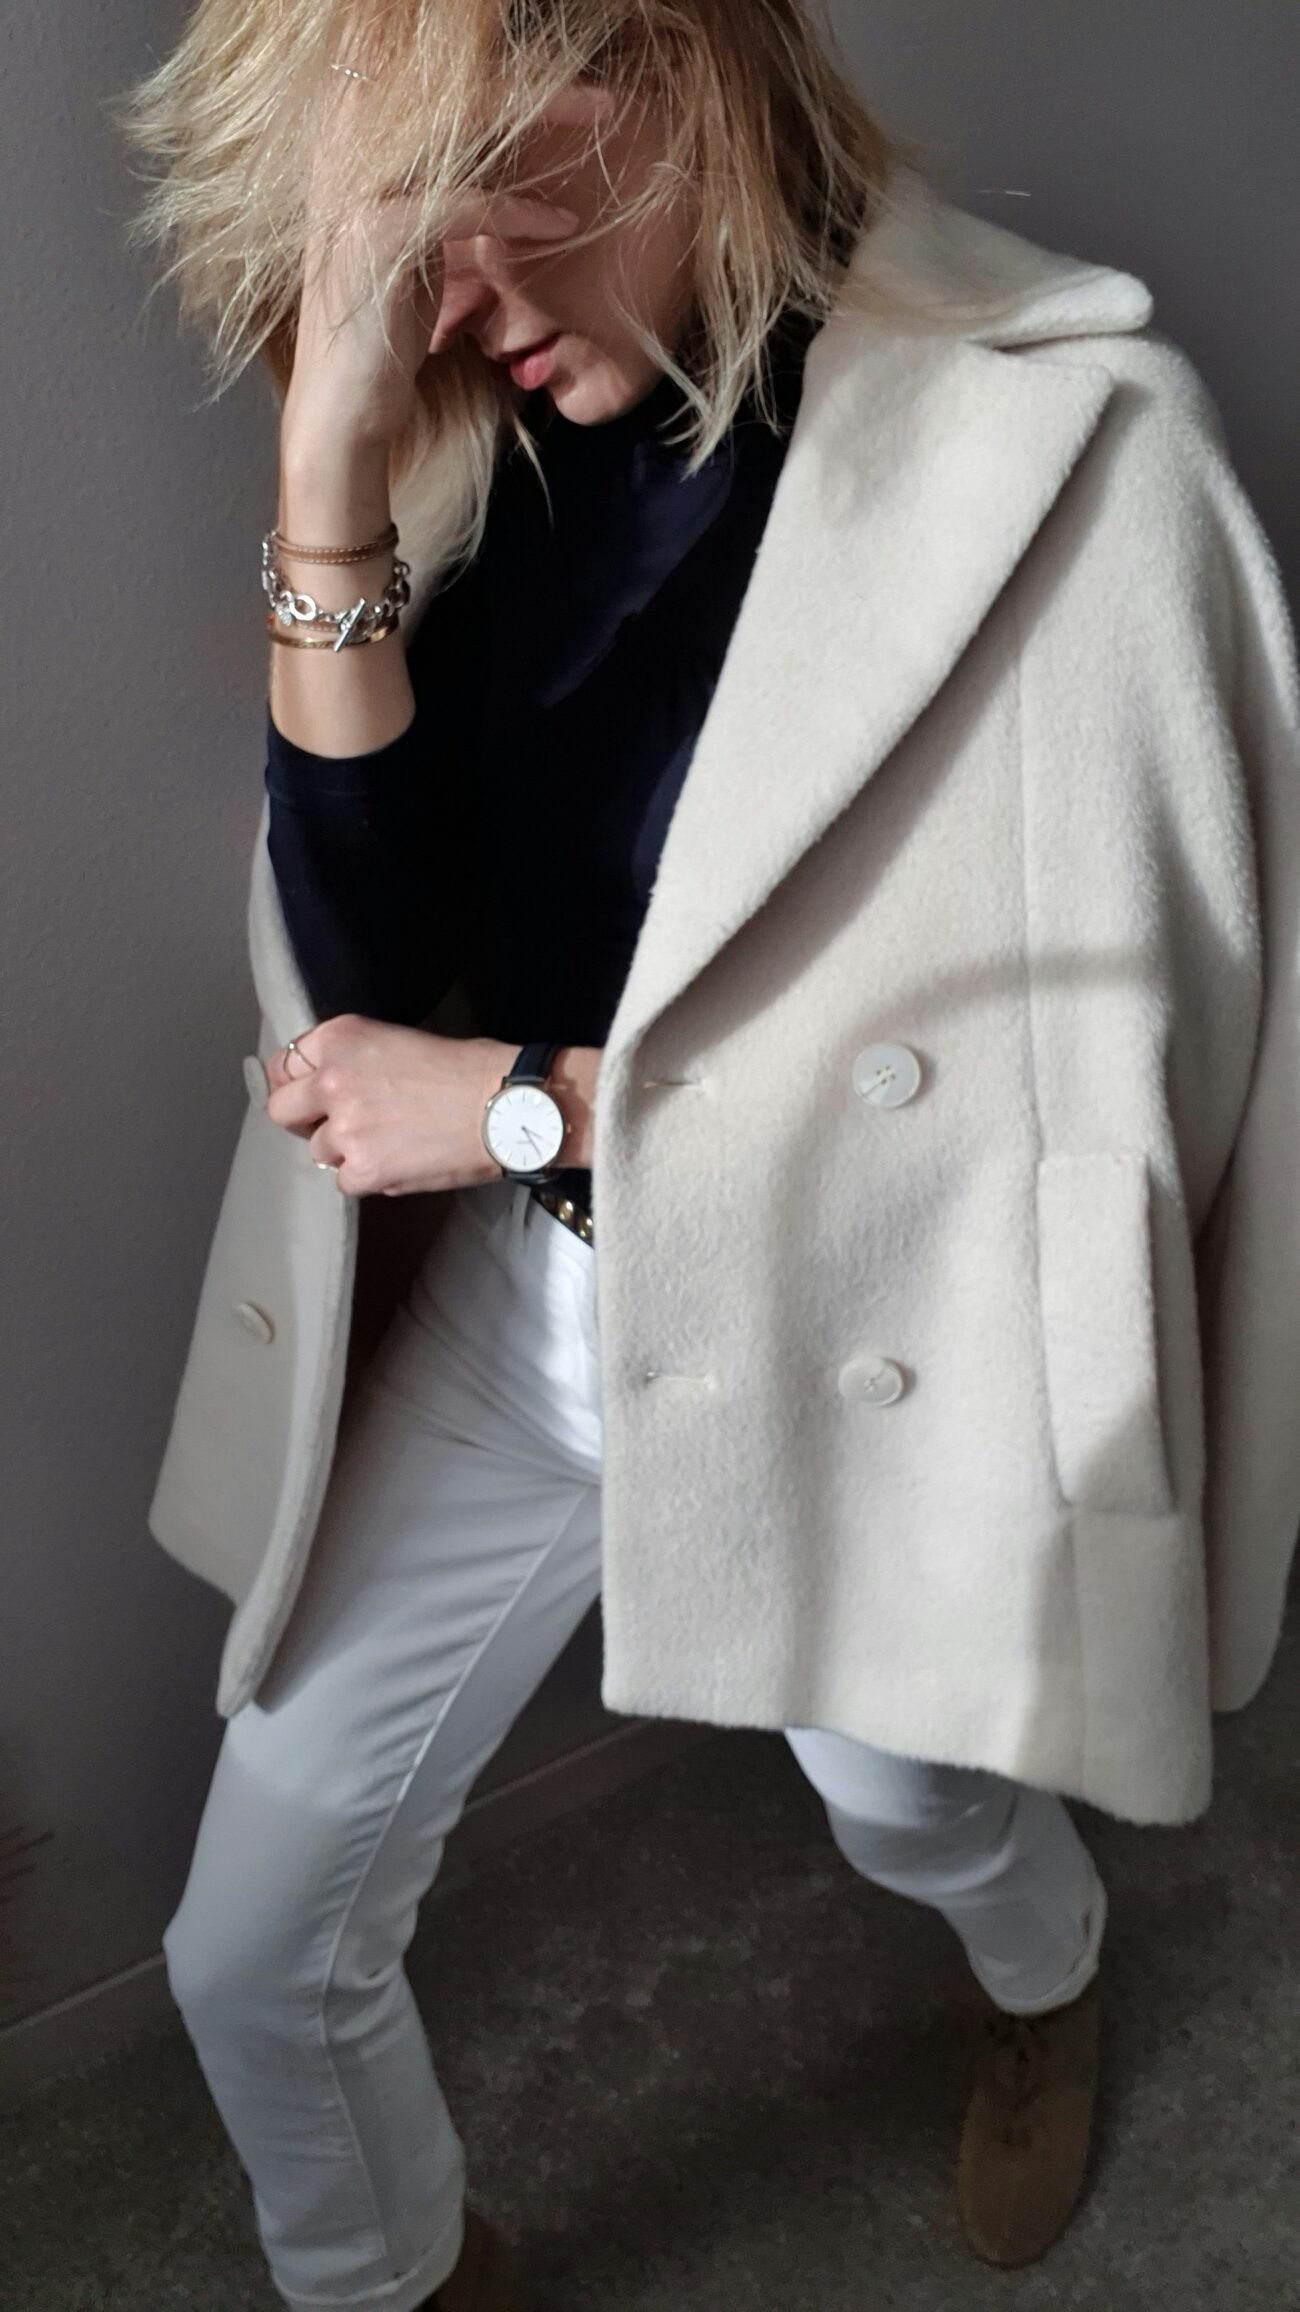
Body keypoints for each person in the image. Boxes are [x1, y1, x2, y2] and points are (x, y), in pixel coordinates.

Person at [117, 3, 1300, 2307]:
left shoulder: (1073, 464)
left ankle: (1042, 1988)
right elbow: (376, 966)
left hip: (833, 1334)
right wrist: (328, 493)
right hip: (513, 1315)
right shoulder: (497, 439)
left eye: (441, 208)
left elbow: (1086, 1120)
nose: (429, 298)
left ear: (646, 65)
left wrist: (534, 1107)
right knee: (252, 1946)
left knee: (912, 1792)